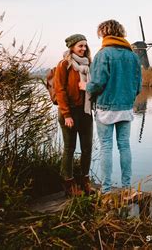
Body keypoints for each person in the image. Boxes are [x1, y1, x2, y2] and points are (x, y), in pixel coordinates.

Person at [83, 19, 142, 198]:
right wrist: (128, 97)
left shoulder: (103, 54)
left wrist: (85, 86)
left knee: (106, 147)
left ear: (104, 33)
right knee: (124, 146)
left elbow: (97, 83)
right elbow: (138, 86)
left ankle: (107, 190)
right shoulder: (133, 56)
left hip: (106, 107)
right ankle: (126, 188)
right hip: (125, 107)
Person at [54, 34, 94, 196]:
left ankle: (85, 182)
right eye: (80, 46)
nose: (83, 49)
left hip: (85, 112)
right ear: (72, 47)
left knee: (87, 148)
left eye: (85, 46)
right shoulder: (64, 65)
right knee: (69, 148)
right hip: (69, 112)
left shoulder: (89, 65)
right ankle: (69, 185)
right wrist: (66, 114)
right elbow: (60, 90)